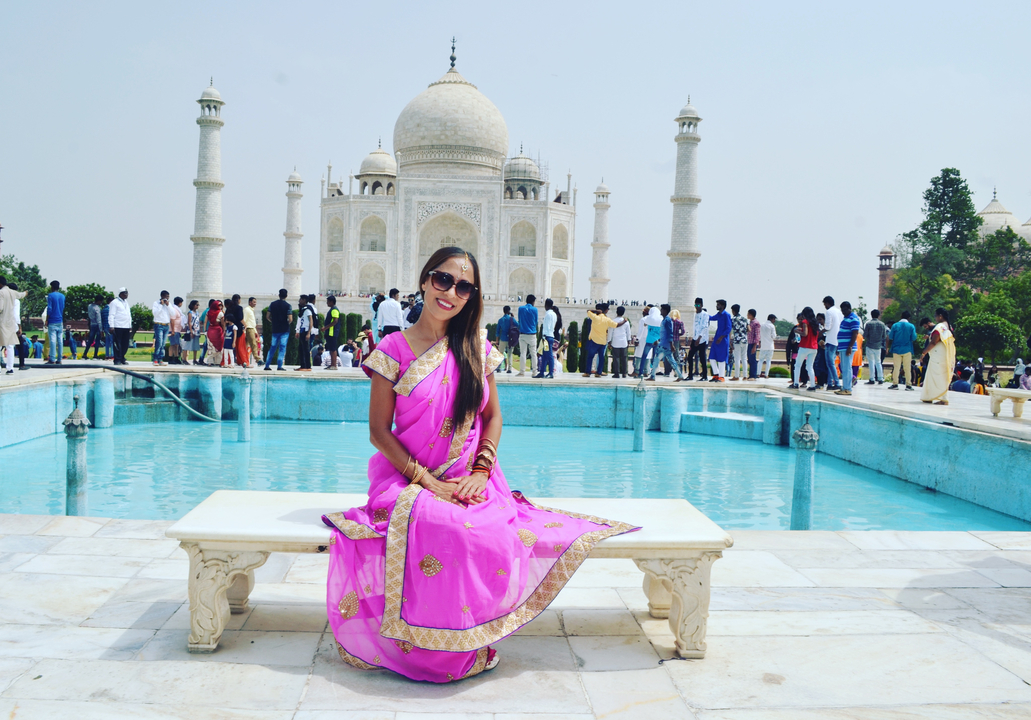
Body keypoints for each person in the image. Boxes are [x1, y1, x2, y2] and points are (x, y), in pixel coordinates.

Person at [322, 246, 636, 682]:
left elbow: (493, 417)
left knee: (488, 530)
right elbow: (379, 433)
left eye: (464, 286)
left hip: (470, 475)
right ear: (424, 280)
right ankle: (426, 645)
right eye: (443, 280)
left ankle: (471, 636)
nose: (451, 292)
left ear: (473, 295)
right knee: (441, 525)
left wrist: (481, 472)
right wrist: (427, 482)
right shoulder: (392, 349)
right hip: (407, 475)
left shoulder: (475, 347)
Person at [920, 308, 956, 405]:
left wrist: (924, 353)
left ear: (940, 316)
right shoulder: (948, 326)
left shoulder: (940, 326)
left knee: (938, 376)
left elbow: (934, 341)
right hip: (943, 354)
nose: (935, 318)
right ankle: (929, 396)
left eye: (936, 316)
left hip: (938, 355)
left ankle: (943, 399)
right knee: (933, 375)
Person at [584, 304, 623, 377]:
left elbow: (588, 311)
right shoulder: (607, 319)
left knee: (590, 357)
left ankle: (587, 372)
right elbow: (616, 325)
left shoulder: (595, 317)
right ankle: (598, 373)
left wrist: (596, 311)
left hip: (594, 340)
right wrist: (624, 321)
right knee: (601, 358)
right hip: (602, 341)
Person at [649, 304, 686, 382]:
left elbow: (670, 333)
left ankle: (652, 376)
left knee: (657, 359)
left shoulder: (668, 320)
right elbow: (663, 333)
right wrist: (658, 340)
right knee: (670, 361)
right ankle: (680, 375)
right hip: (663, 344)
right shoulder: (665, 319)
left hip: (664, 345)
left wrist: (671, 344)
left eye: (662, 309)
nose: (661, 311)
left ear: (665, 310)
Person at [0, 276, 27, 374]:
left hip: (2, 322)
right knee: (10, 346)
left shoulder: (2, 293)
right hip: (11, 324)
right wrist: (25, 293)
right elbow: (21, 295)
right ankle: (10, 368)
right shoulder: (14, 294)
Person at [833, 301, 860, 396]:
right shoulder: (845, 319)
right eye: (842, 310)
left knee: (847, 368)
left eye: (845, 310)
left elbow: (855, 333)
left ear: (850, 309)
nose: (843, 312)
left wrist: (850, 346)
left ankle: (847, 388)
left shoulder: (853, 319)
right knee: (844, 368)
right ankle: (844, 387)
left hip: (848, 347)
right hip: (842, 347)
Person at [262, 290, 293, 371]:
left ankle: (267, 365)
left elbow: (267, 316)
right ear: (286, 296)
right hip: (284, 330)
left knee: (272, 347)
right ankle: (279, 366)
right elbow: (290, 319)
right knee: (282, 348)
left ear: (279, 295)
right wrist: (286, 323)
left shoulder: (273, 304)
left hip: (275, 329)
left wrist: (273, 321)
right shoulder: (288, 306)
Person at [887, 311, 918, 390]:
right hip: (907, 349)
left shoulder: (895, 325)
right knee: (907, 368)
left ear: (901, 317)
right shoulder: (911, 326)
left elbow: (890, 337)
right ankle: (908, 385)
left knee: (896, 367)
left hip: (896, 349)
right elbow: (914, 338)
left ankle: (895, 384)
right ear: (909, 318)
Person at [791, 307, 820, 390]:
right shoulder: (815, 323)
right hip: (814, 347)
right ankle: (812, 385)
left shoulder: (805, 321)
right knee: (810, 366)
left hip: (805, 346)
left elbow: (805, 334)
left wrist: (796, 331)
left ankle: (796, 383)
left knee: (797, 365)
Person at [821, 296, 843, 390]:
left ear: (828, 303)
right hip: (837, 340)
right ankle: (830, 383)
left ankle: (836, 382)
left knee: (830, 363)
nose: (825, 306)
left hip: (830, 340)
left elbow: (828, 327)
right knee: (831, 363)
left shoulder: (829, 311)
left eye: (825, 304)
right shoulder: (839, 311)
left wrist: (820, 332)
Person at [515, 295, 539, 377]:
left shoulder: (521, 309)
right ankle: (534, 372)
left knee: (523, 353)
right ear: (533, 302)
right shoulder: (535, 309)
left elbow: (519, 320)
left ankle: (522, 372)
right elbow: (536, 322)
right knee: (533, 354)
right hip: (532, 334)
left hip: (523, 334)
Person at [708, 299, 731, 381]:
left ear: (723, 306)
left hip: (723, 340)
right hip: (716, 339)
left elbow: (728, 328)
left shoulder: (726, 315)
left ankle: (721, 377)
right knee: (712, 357)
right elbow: (711, 318)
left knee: (722, 359)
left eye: (718, 305)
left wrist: (721, 337)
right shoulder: (718, 314)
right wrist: (704, 314)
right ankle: (716, 374)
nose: (716, 306)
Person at [686, 298, 709, 381]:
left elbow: (705, 327)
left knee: (702, 358)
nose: (697, 307)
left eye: (698, 305)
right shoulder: (695, 314)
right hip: (695, 339)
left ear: (702, 305)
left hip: (702, 340)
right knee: (689, 357)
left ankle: (705, 376)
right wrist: (694, 338)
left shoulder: (705, 314)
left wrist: (699, 338)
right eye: (695, 305)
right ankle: (690, 375)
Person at [864, 309, 888, 385]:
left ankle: (872, 378)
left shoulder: (868, 324)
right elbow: (884, 336)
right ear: (878, 315)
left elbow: (865, 335)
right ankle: (880, 378)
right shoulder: (882, 324)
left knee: (871, 362)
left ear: (871, 315)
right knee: (878, 362)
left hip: (870, 345)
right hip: (878, 346)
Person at [108, 288, 132, 365]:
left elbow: (128, 314)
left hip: (126, 326)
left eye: (127, 293)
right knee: (118, 344)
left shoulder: (126, 302)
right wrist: (111, 326)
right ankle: (117, 359)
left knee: (125, 344)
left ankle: (122, 357)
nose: (126, 295)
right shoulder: (115, 302)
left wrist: (130, 325)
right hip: (118, 326)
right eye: (125, 293)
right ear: (120, 294)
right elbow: (111, 314)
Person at [537, 298, 559, 379]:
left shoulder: (548, 314)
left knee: (549, 355)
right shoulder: (554, 314)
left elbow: (546, 327)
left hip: (547, 337)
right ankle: (542, 372)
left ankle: (550, 373)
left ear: (546, 305)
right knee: (545, 355)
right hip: (550, 336)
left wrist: (543, 337)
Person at [45, 280, 66, 364]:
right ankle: (59, 358)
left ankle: (52, 358)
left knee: (53, 340)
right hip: (60, 320)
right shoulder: (62, 296)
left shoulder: (50, 296)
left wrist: (47, 319)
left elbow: (49, 308)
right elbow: (63, 307)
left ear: (52, 287)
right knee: (60, 340)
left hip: (52, 320)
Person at [150, 291, 172, 366]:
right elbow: (155, 313)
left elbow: (173, 314)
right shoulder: (156, 303)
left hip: (166, 325)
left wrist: (168, 305)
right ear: (162, 296)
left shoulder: (168, 304)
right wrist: (160, 305)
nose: (167, 298)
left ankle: (160, 359)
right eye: (166, 296)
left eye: (168, 296)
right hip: (159, 325)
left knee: (163, 343)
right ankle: (155, 359)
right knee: (159, 342)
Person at [609, 305, 632, 378]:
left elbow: (610, 332)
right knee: (624, 358)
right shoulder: (626, 322)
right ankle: (624, 373)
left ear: (616, 312)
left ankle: (617, 373)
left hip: (615, 342)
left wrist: (609, 341)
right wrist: (629, 341)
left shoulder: (613, 321)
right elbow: (628, 333)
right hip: (623, 342)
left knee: (616, 359)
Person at [82, 295, 104, 360]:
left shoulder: (89, 306)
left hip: (92, 324)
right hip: (97, 325)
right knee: (97, 341)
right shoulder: (97, 308)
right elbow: (99, 320)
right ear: (99, 301)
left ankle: (85, 354)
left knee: (90, 340)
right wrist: (101, 329)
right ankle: (95, 355)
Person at [729, 304, 748, 381]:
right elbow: (749, 329)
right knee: (744, 358)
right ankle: (745, 376)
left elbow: (730, 330)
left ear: (733, 311)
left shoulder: (733, 319)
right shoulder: (744, 319)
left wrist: (730, 340)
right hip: (745, 340)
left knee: (737, 358)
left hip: (737, 340)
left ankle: (736, 376)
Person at [230, 294, 249, 368]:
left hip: (231, 328)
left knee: (231, 346)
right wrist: (246, 325)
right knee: (241, 346)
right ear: (238, 300)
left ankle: (236, 361)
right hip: (239, 328)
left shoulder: (230, 308)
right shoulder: (239, 308)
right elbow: (240, 318)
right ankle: (244, 362)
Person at [296, 294, 314, 372]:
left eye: (301, 299)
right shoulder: (302, 309)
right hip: (302, 330)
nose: (299, 301)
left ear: (304, 300)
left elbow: (311, 321)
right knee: (301, 349)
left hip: (306, 331)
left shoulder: (307, 310)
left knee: (306, 349)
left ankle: (308, 366)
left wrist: (308, 333)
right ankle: (303, 365)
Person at [323, 295, 342, 370]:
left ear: (331, 302)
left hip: (332, 332)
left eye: (328, 301)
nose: (327, 303)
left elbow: (335, 321)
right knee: (331, 349)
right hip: (330, 332)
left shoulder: (334, 310)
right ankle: (332, 364)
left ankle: (334, 365)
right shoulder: (332, 309)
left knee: (333, 349)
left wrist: (325, 328)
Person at [166, 296, 184, 365]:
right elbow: (172, 320)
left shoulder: (177, 310)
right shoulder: (174, 310)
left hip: (177, 330)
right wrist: (173, 330)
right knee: (172, 345)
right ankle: (170, 358)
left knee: (176, 345)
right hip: (174, 330)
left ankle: (176, 358)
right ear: (179, 303)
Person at [758, 313, 777, 378]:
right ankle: (766, 374)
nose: (774, 321)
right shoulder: (772, 326)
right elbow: (774, 336)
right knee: (768, 361)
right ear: (771, 319)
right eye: (774, 319)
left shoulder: (762, 325)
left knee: (760, 360)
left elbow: (759, 335)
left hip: (763, 346)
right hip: (770, 346)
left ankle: (758, 373)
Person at [496, 307, 514, 373]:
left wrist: (497, 340)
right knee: (510, 354)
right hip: (510, 339)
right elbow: (517, 325)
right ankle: (509, 369)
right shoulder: (511, 319)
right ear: (509, 311)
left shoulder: (501, 320)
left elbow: (497, 331)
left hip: (503, 338)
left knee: (500, 354)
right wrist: (513, 317)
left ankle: (499, 367)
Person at [184, 300, 201, 364]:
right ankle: (185, 359)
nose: (198, 306)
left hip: (196, 331)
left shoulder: (197, 313)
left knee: (195, 346)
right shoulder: (190, 313)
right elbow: (189, 322)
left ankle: (194, 359)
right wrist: (191, 331)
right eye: (197, 305)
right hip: (191, 331)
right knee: (188, 345)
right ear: (193, 305)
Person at [243, 297, 259, 367]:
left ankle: (244, 360)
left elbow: (252, 322)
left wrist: (255, 331)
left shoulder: (251, 310)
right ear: (250, 302)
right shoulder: (247, 310)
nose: (255, 303)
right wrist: (244, 330)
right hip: (249, 329)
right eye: (254, 302)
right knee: (253, 344)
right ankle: (258, 359)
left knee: (246, 346)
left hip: (252, 328)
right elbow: (244, 320)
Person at [745, 309, 760, 380]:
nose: (747, 315)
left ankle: (753, 375)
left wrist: (755, 346)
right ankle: (751, 374)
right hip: (749, 343)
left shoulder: (756, 323)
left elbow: (757, 335)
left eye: (748, 314)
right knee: (750, 359)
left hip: (753, 343)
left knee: (752, 359)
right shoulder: (750, 323)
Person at [102, 295, 114, 361]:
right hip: (111, 327)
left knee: (107, 342)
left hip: (105, 327)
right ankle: (112, 355)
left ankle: (107, 355)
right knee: (112, 341)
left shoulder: (104, 309)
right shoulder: (111, 309)